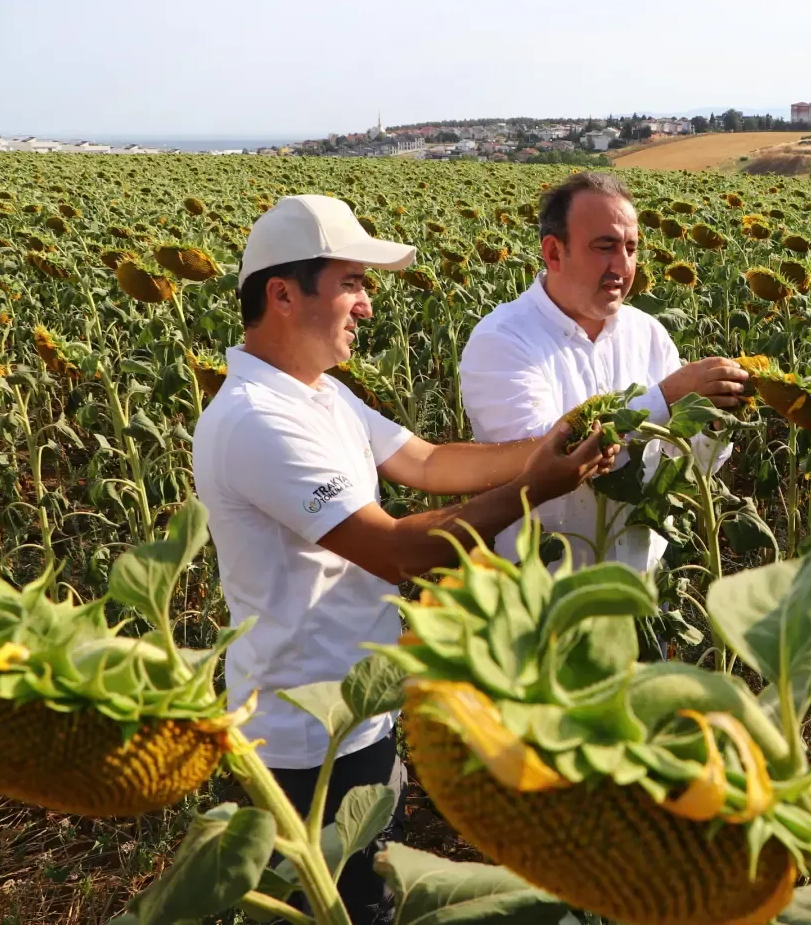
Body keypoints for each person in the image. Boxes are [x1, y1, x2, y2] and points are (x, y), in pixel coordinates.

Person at [192, 195, 616, 925]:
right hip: (301, 739)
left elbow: (426, 459)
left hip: (358, 710)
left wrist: (550, 445)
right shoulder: (258, 420)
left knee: (372, 895)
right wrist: (533, 488)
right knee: (342, 908)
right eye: (352, 282)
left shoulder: (317, 395)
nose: (366, 304)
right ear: (283, 294)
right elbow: (393, 548)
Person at [458, 172, 747, 575]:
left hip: (639, 588)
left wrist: (713, 423)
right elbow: (543, 457)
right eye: (605, 247)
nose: (623, 266)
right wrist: (666, 398)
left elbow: (687, 464)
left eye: (631, 248)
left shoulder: (647, 333)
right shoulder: (502, 339)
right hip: (545, 590)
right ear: (554, 253)